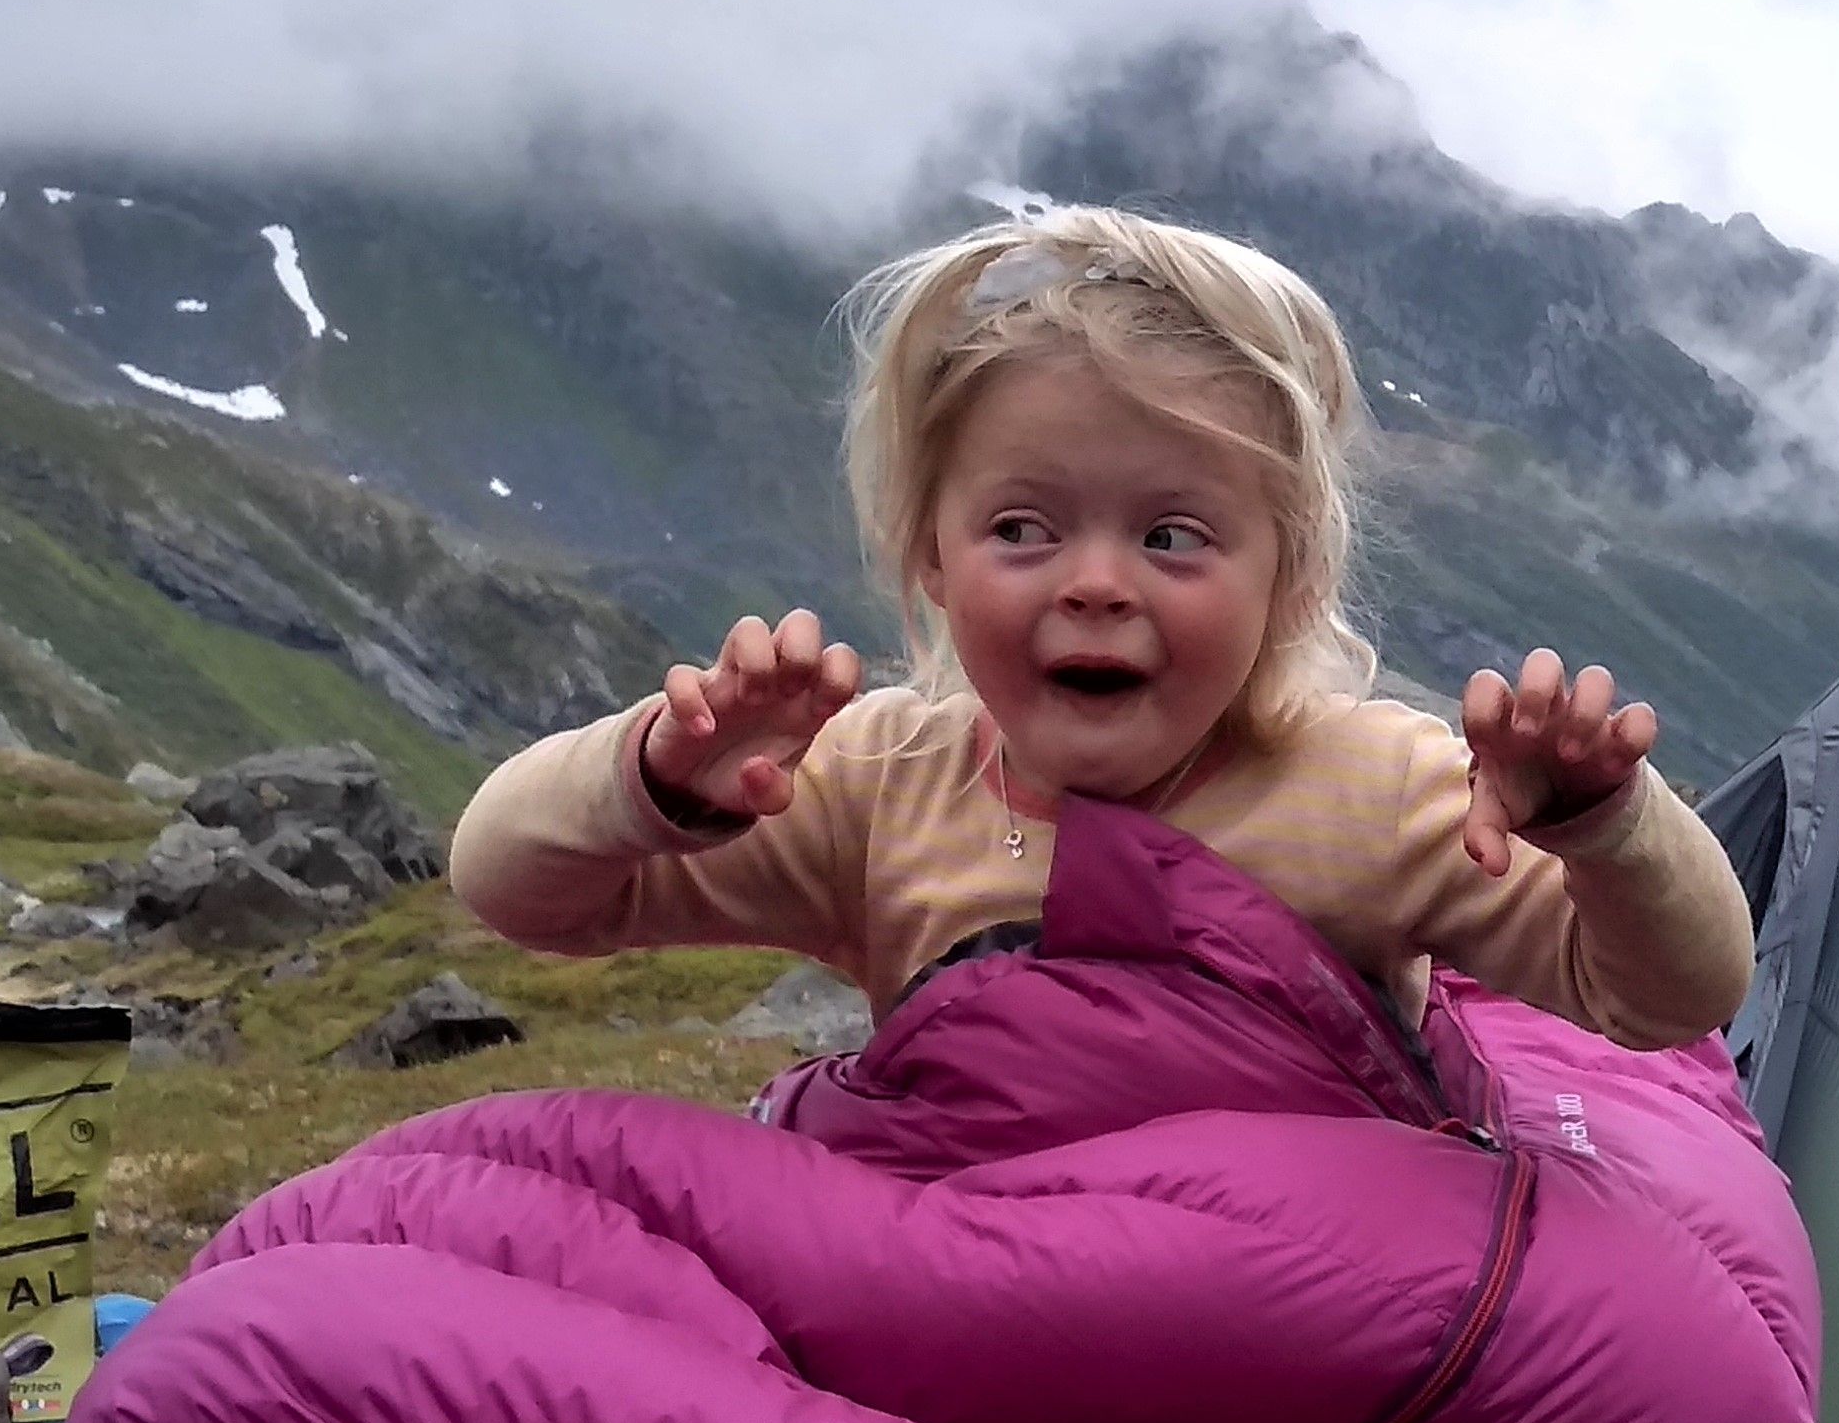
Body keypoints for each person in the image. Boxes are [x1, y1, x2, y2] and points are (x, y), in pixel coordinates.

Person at [451, 204, 1753, 1052]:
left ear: (1287, 580)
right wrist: (659, 780)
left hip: (1294, 1348)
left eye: (1173, 537)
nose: (1095, 583)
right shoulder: (879, 785)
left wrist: (1604, 825)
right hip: (984, 1328)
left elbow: (1669, 999)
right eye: (1022, 530)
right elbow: (520, 890)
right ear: (933, 565)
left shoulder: (1380, 791)